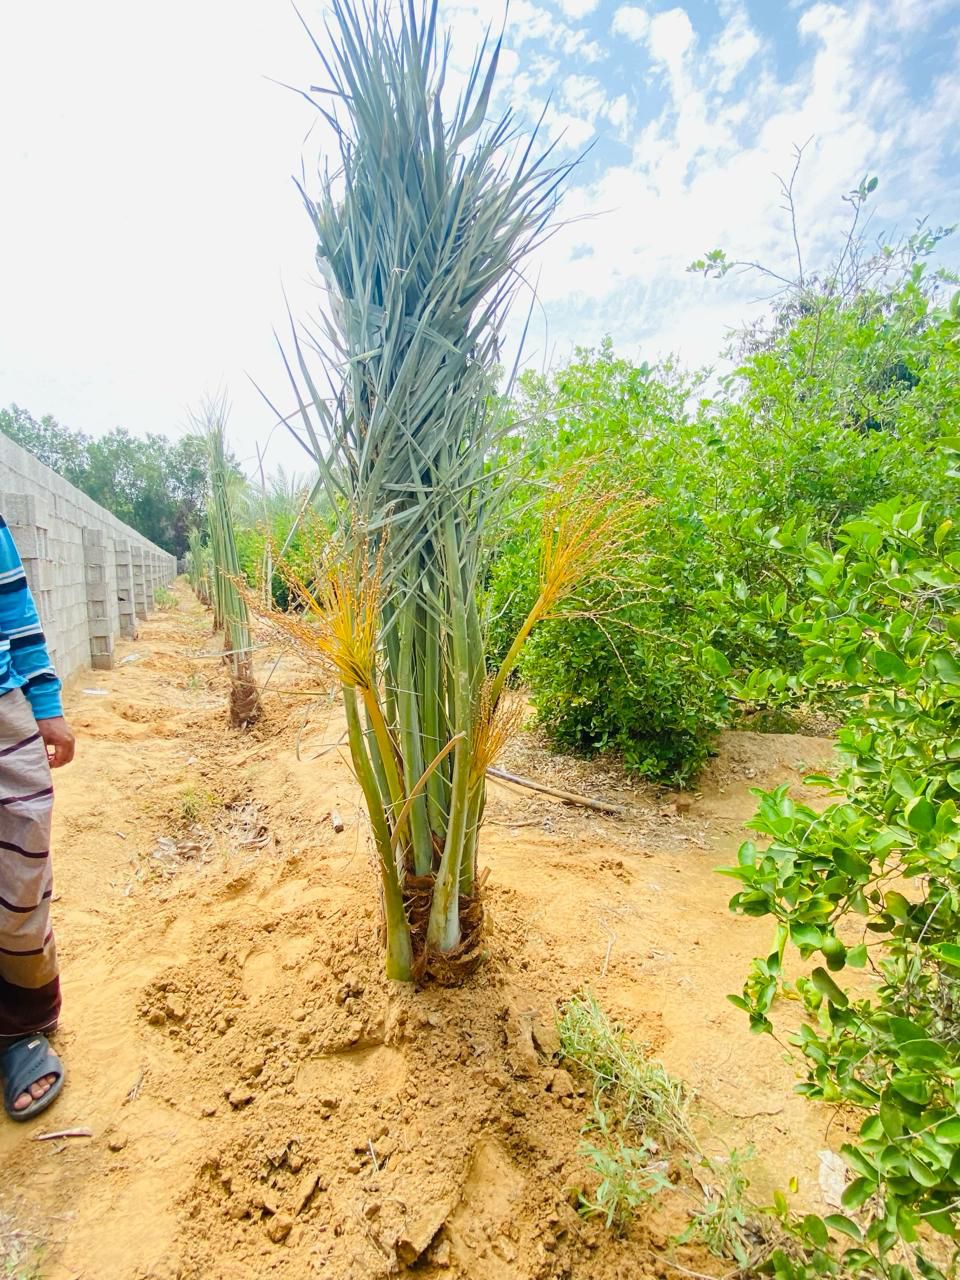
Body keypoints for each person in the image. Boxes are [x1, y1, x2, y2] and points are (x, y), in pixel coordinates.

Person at [0, 509, 75, 1120]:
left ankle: (19, 1025)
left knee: (20, 874)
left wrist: (45, 701)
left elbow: (16, 614)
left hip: (3, 710)